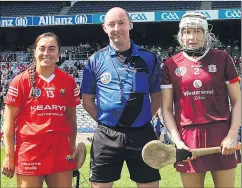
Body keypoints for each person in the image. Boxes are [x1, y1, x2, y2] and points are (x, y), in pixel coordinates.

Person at [81, 7, 161, 188]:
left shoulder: (149, 58)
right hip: (106, 135)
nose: (117, 28)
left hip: (142, 133)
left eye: (121, 22)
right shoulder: (94, 60)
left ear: (130, 25)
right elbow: (87, 101)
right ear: (104, 28)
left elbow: (156, 97)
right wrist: (107, 121)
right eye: (111, 24)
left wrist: (143, 119)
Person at [161, 12, 241, 188]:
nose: (192, 37)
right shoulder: (171, 64)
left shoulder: (223, 58)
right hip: (188, 139)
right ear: (180, 35)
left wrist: (232, 134)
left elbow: (237, 100)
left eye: (198, 31)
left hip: (222, 136)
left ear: (206, 34)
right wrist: (178, 142)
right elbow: (166, 109)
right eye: (187, 32)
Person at [2, 32, 81, 187]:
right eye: (42, 48)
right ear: (35, 51)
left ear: (59, 53)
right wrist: (9, 155)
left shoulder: (68, 81)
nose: (46, 53)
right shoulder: (19, 81)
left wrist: (72, 149)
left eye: (52, 49)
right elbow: (9, 122)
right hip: (30, 152)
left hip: (60, 151)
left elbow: (72, 120)